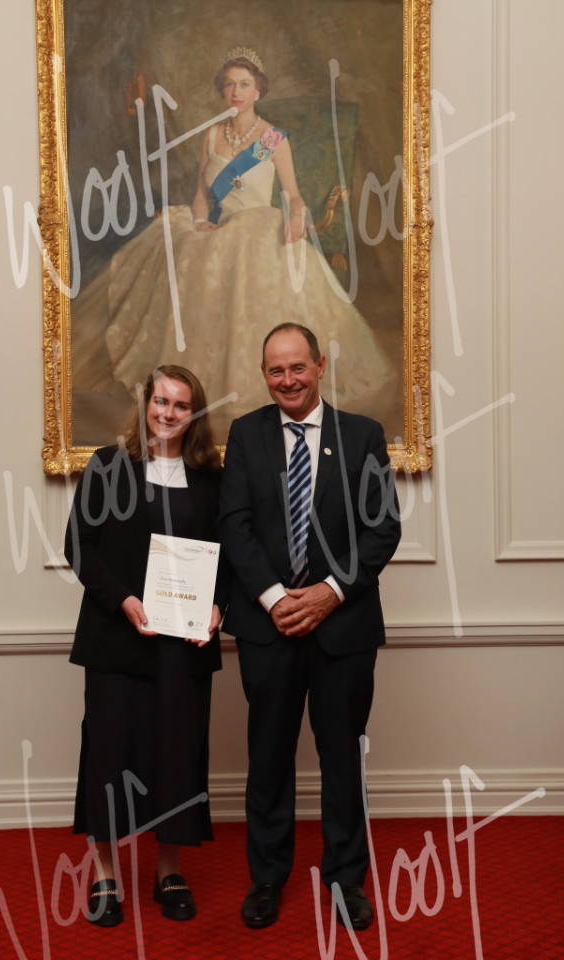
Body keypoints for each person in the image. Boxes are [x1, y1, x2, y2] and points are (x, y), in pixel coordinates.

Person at [72, 47, 396, 443]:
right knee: (178, 250)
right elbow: (200, 195)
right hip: (216, 227)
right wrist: (200, 222)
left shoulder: (272, 139)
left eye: (244, 85)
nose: (236, 92)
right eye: (229, 85)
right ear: (222, 91)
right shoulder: (211, 136)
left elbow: (293, 194)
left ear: (258, 91)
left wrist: (296, 213)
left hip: (258, 227)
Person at [218, 323, 401, 930]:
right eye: (276, 370)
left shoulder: (363, 435)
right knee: (268, 759)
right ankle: (267, 879)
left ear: (320, 366)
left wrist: (328, 593)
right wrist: (275, 599)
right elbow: (235, 525)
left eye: (298, 367)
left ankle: (346, 880)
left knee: (342, 759)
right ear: (264, 375)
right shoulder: (246, 434)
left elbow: (383, 528)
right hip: (268, 628)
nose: (288, 379)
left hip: (343, 629)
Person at [65, 364, 226, 927]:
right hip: (117, 639)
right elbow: (79, 545)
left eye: (181, 404)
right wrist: (124, 600)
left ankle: (169, 870)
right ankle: (104, 872)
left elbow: (230, 554)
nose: (168, 413)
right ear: (144, 404)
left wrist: (219, 607)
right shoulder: (107, 466)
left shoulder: (212, 479)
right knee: (109, 756)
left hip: (183, 645)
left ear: (194, 414)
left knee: (178, 756)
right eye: (161, 401)